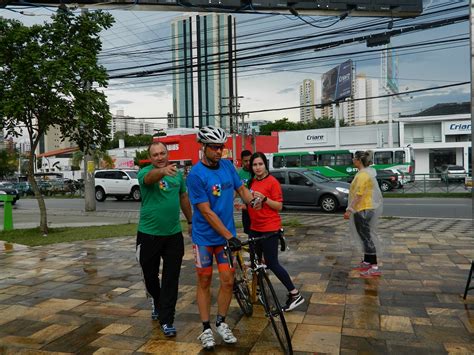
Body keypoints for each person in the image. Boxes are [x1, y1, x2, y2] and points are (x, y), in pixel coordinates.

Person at [186, 126, 260, 350]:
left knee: (228, 280)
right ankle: (206, 328)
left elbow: (242, 190)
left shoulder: (228, 166)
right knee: (205, 280)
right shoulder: (196, 175)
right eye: (215, 147)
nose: (219, 151)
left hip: (226, 238)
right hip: (205, 239)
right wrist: (230, 235)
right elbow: (206, 212)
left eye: (222, 147)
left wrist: (254, 200)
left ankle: (221, 323)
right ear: (204, 147)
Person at [136, 141, 193, 337]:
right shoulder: (144, 173)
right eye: (155, 155)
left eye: (162, 153)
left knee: (171, 278)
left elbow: (183, 197)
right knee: (150, 276)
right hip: (148, 234)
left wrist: (191, 221)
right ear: (150, 158)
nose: (160, 157)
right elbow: (150, 179)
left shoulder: (178, 175)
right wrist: (162, 172)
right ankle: (157, 300)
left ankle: (166, 318)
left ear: (167, 154)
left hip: (173, 235)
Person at [246, 152, 305, 312]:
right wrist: (246, 205)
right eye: (254, 165)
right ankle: (257, 290)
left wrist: (265, 199)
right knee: (256, 262)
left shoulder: (272, 182)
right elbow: (252, 202)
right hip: (255, 228)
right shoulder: (252, 182)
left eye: (260, 164)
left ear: (265, 165)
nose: (257, 168)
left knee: (271, 263)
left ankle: (295, 294)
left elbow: (279, 206)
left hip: (269, 229)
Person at [343, 150, 383, 278]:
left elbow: (358, 195)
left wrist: (349, 209)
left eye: (354, 158)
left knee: (366, 238)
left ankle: (374, 266)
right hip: (364, 208)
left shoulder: (362, 176)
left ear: (359, 161)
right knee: (364, 236)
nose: (353, 160)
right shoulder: (365, 173)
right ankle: (367, 261)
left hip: (363, 209)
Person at [235, 150, 252, 235]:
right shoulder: (238, 173)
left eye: (250, 160)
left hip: (257, 206)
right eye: (246, 161)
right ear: (241, 161)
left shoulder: (256, 170)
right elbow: (235, 190)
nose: (248, 163)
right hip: (245, 208)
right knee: (248, 232)